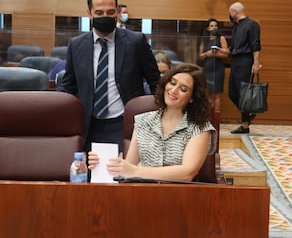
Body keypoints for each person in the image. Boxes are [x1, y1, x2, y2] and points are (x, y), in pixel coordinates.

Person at [59, 0, 161, 153]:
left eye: (110, 12)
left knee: (122, 175)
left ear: (117, 13)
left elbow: (155, 82)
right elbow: (69, 86)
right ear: (89, 13)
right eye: (99, 13)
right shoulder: (76, 45)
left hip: (126, 124)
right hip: (89, 125)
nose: (105, 16)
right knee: (89, 175)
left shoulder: (136, 42)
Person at [88, 63, 216, 182]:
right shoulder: (142, 121)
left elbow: (187, 173)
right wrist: (102, 163)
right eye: (172, 83)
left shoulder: (200, 128)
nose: (173, 90)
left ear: (192, 97)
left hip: (180, 197)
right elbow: (128, 168)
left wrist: (137, 171)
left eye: (183, 89)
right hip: (141, 194)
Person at [227, 2, 262, 134]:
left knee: (244, 93)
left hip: (246, 61)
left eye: (230, 12)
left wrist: (256, 62)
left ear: (235, 12)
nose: (229, 15)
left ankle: (245, 125)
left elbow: (256, 44)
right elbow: (233, 48)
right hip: (235, 61)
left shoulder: (252, 24)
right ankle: (249, 113)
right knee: (232, 92)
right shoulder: (236, 27)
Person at [198, 18, 229, 112]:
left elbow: (226, 54)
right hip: (207, 70)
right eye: (212, 26)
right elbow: (201, 56)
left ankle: (216, 119)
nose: (214, 27)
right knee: (207, 94)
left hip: (218, 70)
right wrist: (207, 54)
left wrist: (214, 53)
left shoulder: (221, 38)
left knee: (216, 94)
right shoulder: (204, 40)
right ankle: (207, 117)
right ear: (208, 28)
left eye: (215, 26)